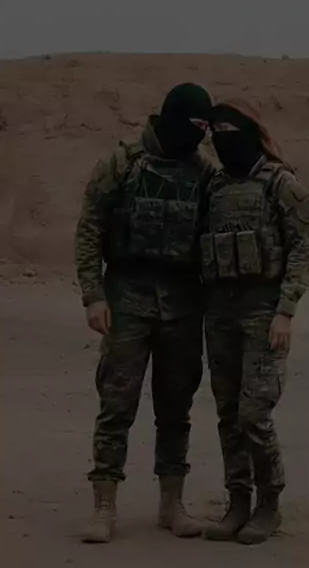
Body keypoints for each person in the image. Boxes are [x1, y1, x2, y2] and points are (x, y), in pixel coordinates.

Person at [75, 83, 215, 543]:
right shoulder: (123, 163)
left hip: (183, 301)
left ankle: (172, 504)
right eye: (194, 126)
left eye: (205, 129)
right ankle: (104, 505)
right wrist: (93, 295)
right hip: (127, 298)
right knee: (117, 403)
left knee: (176, 407)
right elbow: (90, 228)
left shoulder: (202, 172)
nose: (198, 136)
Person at [201, 100, 309, 545]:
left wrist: (285, 310)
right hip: (220, 312)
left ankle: (269, 503)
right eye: (215, 134)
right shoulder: (215, 186)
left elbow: (302, 249)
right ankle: (238, 502)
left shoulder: (280, 184)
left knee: (254, 413)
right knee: (228, 414)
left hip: (263, 312)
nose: (222, 141)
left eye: (229, 132)